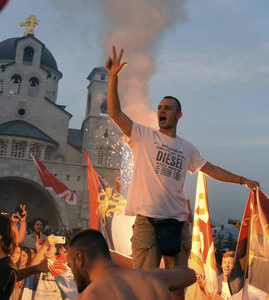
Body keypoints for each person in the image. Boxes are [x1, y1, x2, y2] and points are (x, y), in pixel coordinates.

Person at [106, 47, 260, 274]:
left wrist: (243, 180)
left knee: (178, 280)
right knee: (145, 280)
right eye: (159, 108)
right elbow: (115, 113)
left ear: (179, 116)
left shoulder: (187, 148)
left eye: (167, 108)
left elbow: (212, 169)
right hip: (147, 222)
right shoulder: (143, 135)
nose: (161, 111)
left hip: (177, 223)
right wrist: (113, 77)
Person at [67, 229, 196, 300]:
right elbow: (190, 275)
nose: (73, 275)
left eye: (70, 265)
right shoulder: (152, 278)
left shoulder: (87, 297)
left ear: (79, 259)